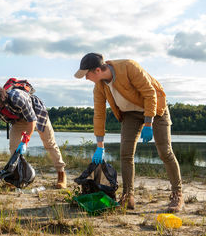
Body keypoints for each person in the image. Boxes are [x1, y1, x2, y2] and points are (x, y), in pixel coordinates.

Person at [74, 52, 183, 212]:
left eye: (87, 74)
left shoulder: (129, 67)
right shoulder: (99, 87)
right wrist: (100, 145)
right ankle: (128, 196)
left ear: (97, 70)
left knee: (165, 152)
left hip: (156, 110)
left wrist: (148, 123)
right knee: (125, 154)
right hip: (130, 114)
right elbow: (99, 114)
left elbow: (150, 93)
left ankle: (177, 194)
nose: (86, 78)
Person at [0, 85, 67, 189]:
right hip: (18, 120)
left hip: (36, 114)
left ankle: (61, 174)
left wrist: (25, 141)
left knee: (49, 143)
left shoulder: (17, 98)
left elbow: (32, 120)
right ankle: (18, 177)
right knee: (14, 148)